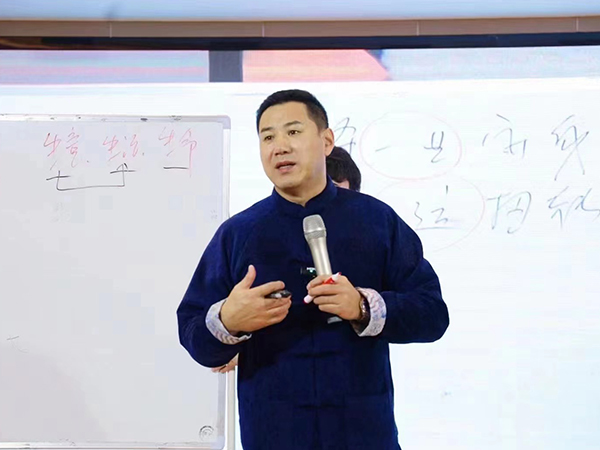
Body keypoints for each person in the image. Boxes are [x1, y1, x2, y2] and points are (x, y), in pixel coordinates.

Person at [177, 89, 449, 450]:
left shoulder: (376, 220)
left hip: (364, 434)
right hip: (273, 435)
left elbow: (432, 314)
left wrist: (363, 307)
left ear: (326, 141)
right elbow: (193, 333)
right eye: (268, 137)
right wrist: (228, 320)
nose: (279, 147)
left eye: (293, 131)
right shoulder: (238, 233)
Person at [212, 145, 361, 375]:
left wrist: (363, 306)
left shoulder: (368, 239)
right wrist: (232, 330)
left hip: (353, 381)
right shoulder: (253, 237)